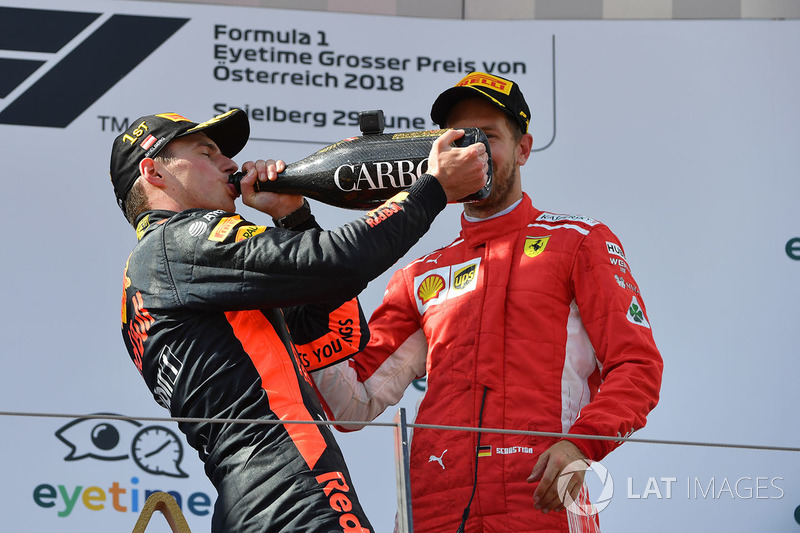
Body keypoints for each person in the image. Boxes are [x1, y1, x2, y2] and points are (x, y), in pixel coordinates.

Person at [312, 72, 664, 532]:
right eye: (459, 139)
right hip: (431, 510)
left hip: (539, 503)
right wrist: (302, 300)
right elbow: (351, 406)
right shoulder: (419, 276)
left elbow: (636, 366)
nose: (473, 152)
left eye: (489, 137)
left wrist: (582, 446)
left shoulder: (579, 242)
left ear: (523, 148)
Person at [110, 108, 488, 532]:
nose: (230, 164)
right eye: (206, 152)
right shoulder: (175, 242)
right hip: (293, 491)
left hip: (257, 501)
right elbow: (340, 262)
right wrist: (432, 188)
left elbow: (324, 334)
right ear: (154, 171)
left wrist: (293, 217)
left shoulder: (157, 273)